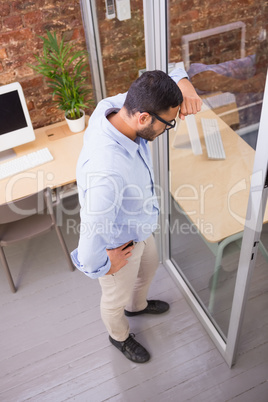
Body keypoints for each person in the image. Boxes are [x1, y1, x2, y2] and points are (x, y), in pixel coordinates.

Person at [71, 68, 202, 363]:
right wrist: (103, 265)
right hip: (120, 245)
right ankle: (119, 336)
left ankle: (138, 306)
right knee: (114, 300)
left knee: (150, 268)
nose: (167, 128)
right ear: (144, 118)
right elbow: (91, 234)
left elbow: (161, 77)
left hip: (141, 226)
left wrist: (184, 85)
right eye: (167, 124)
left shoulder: (113, 108)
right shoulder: (107, 171)